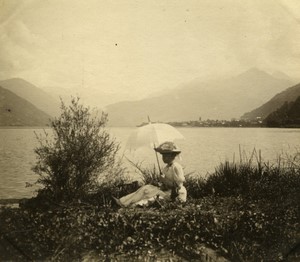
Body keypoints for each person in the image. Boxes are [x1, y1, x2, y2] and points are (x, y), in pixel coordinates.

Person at [112, 141, 187, 207]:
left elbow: (178, 186)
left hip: (176, 195)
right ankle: (122, 201)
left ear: (172, 156)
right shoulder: (166, 168)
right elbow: (165, 184)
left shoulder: (177, 167)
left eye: (165, 155)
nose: (163, 158)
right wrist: (160, 182)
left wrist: (164, 180)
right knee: (146, 187)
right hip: (167, 191)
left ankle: (129, 204)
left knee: (150, 194)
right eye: (162, 156)